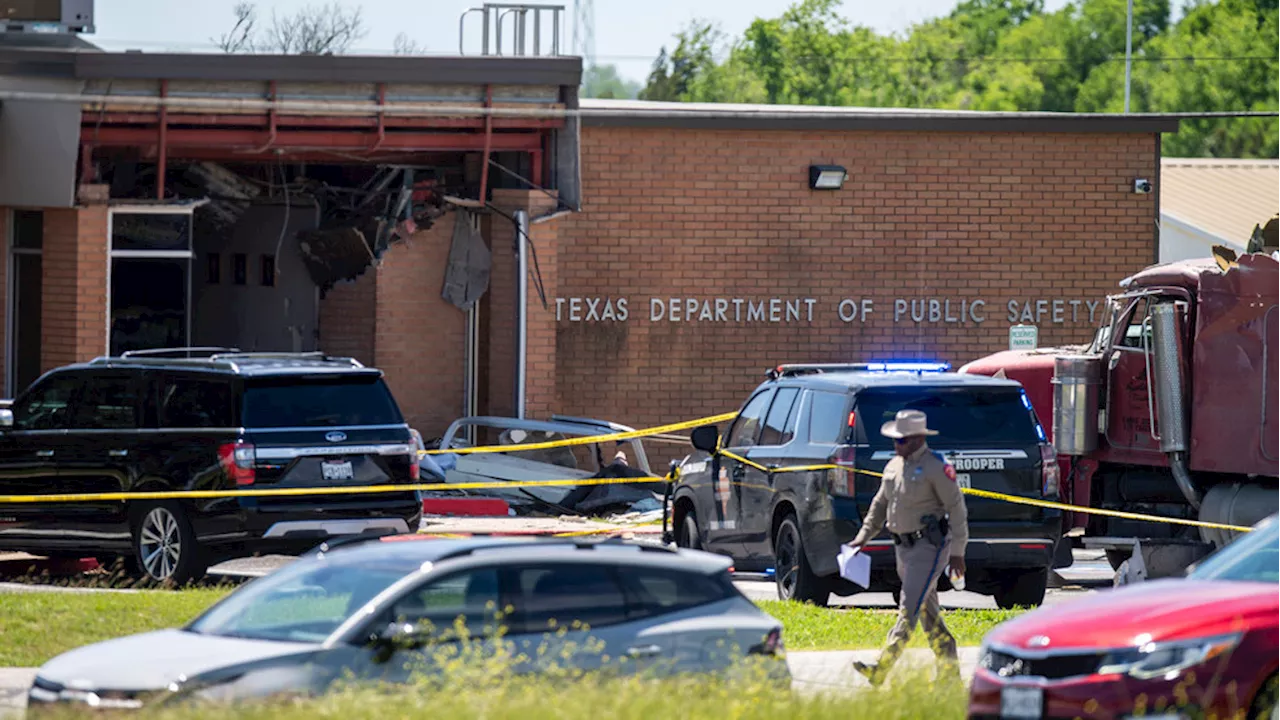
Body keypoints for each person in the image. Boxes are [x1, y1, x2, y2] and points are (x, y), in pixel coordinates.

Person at [846, 409, 969, 687]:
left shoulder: (937, 466)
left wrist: (958, 552)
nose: (896, 444)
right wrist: (862, 537)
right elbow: (879, 506)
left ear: (916, 439)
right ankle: (950, 674)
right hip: (903, 549)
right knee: (928, 613)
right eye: (895, 439)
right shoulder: (893, 466)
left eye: (901, 440)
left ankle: (882, 667)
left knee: (909, 608)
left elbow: (957, 509)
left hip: (930, 546)